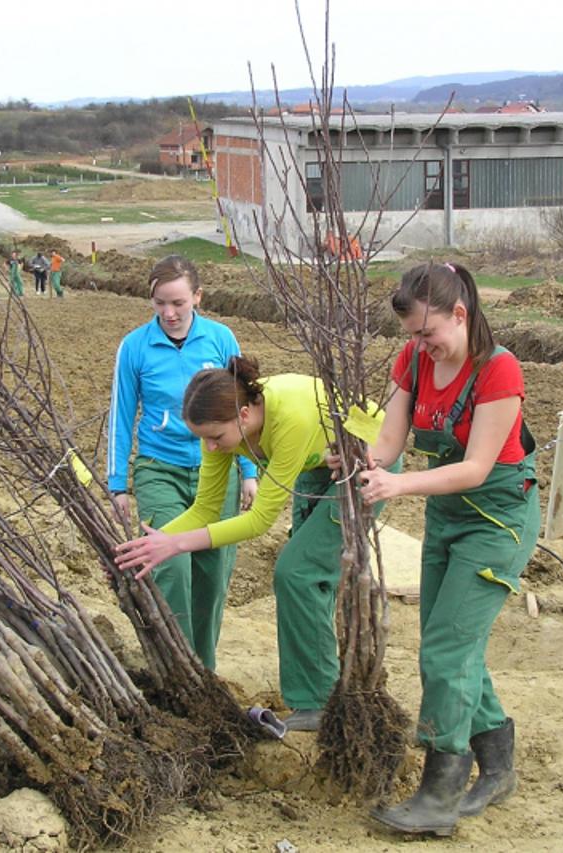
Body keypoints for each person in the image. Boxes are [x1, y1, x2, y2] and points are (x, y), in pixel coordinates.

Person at [347, 261, 539, 837]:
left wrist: (399, 484)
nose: (420, 346)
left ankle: (440, 791)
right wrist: (365, 460)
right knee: (450, 645)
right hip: (448, 517)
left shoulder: (498, 371)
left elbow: (478, 468)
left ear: (461, 313)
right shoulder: (413, 361)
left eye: (428, 333)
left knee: (445, 653)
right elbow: (389, 439)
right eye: (412, 336)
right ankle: (498, 765)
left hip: (497, 521)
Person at [114, 355, 391, 731]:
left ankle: (317, 704)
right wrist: (152, 543)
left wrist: (177, 545)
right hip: (317, 465)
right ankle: (325, 689)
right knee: (307, 579)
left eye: (215, 437)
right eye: (203, 439)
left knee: (297, 572)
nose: (210, 449)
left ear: (244, 415)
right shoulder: (225, 434)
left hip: (366, 464)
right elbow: (206, 508)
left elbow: (259, 520)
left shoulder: (287, 418)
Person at [107, 256, 258, 670]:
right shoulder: (135, 347)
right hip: (161, 468)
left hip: (219, 470)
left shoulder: (221, 339)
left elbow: (241, 407)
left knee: (212, 576)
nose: (169, 313)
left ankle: (203, 670)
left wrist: (249, 472)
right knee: (170, 564)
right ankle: (178, 667)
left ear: (197, 297)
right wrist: (117, 484)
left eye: (178, 303)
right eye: (159, 303)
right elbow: (120, 414)